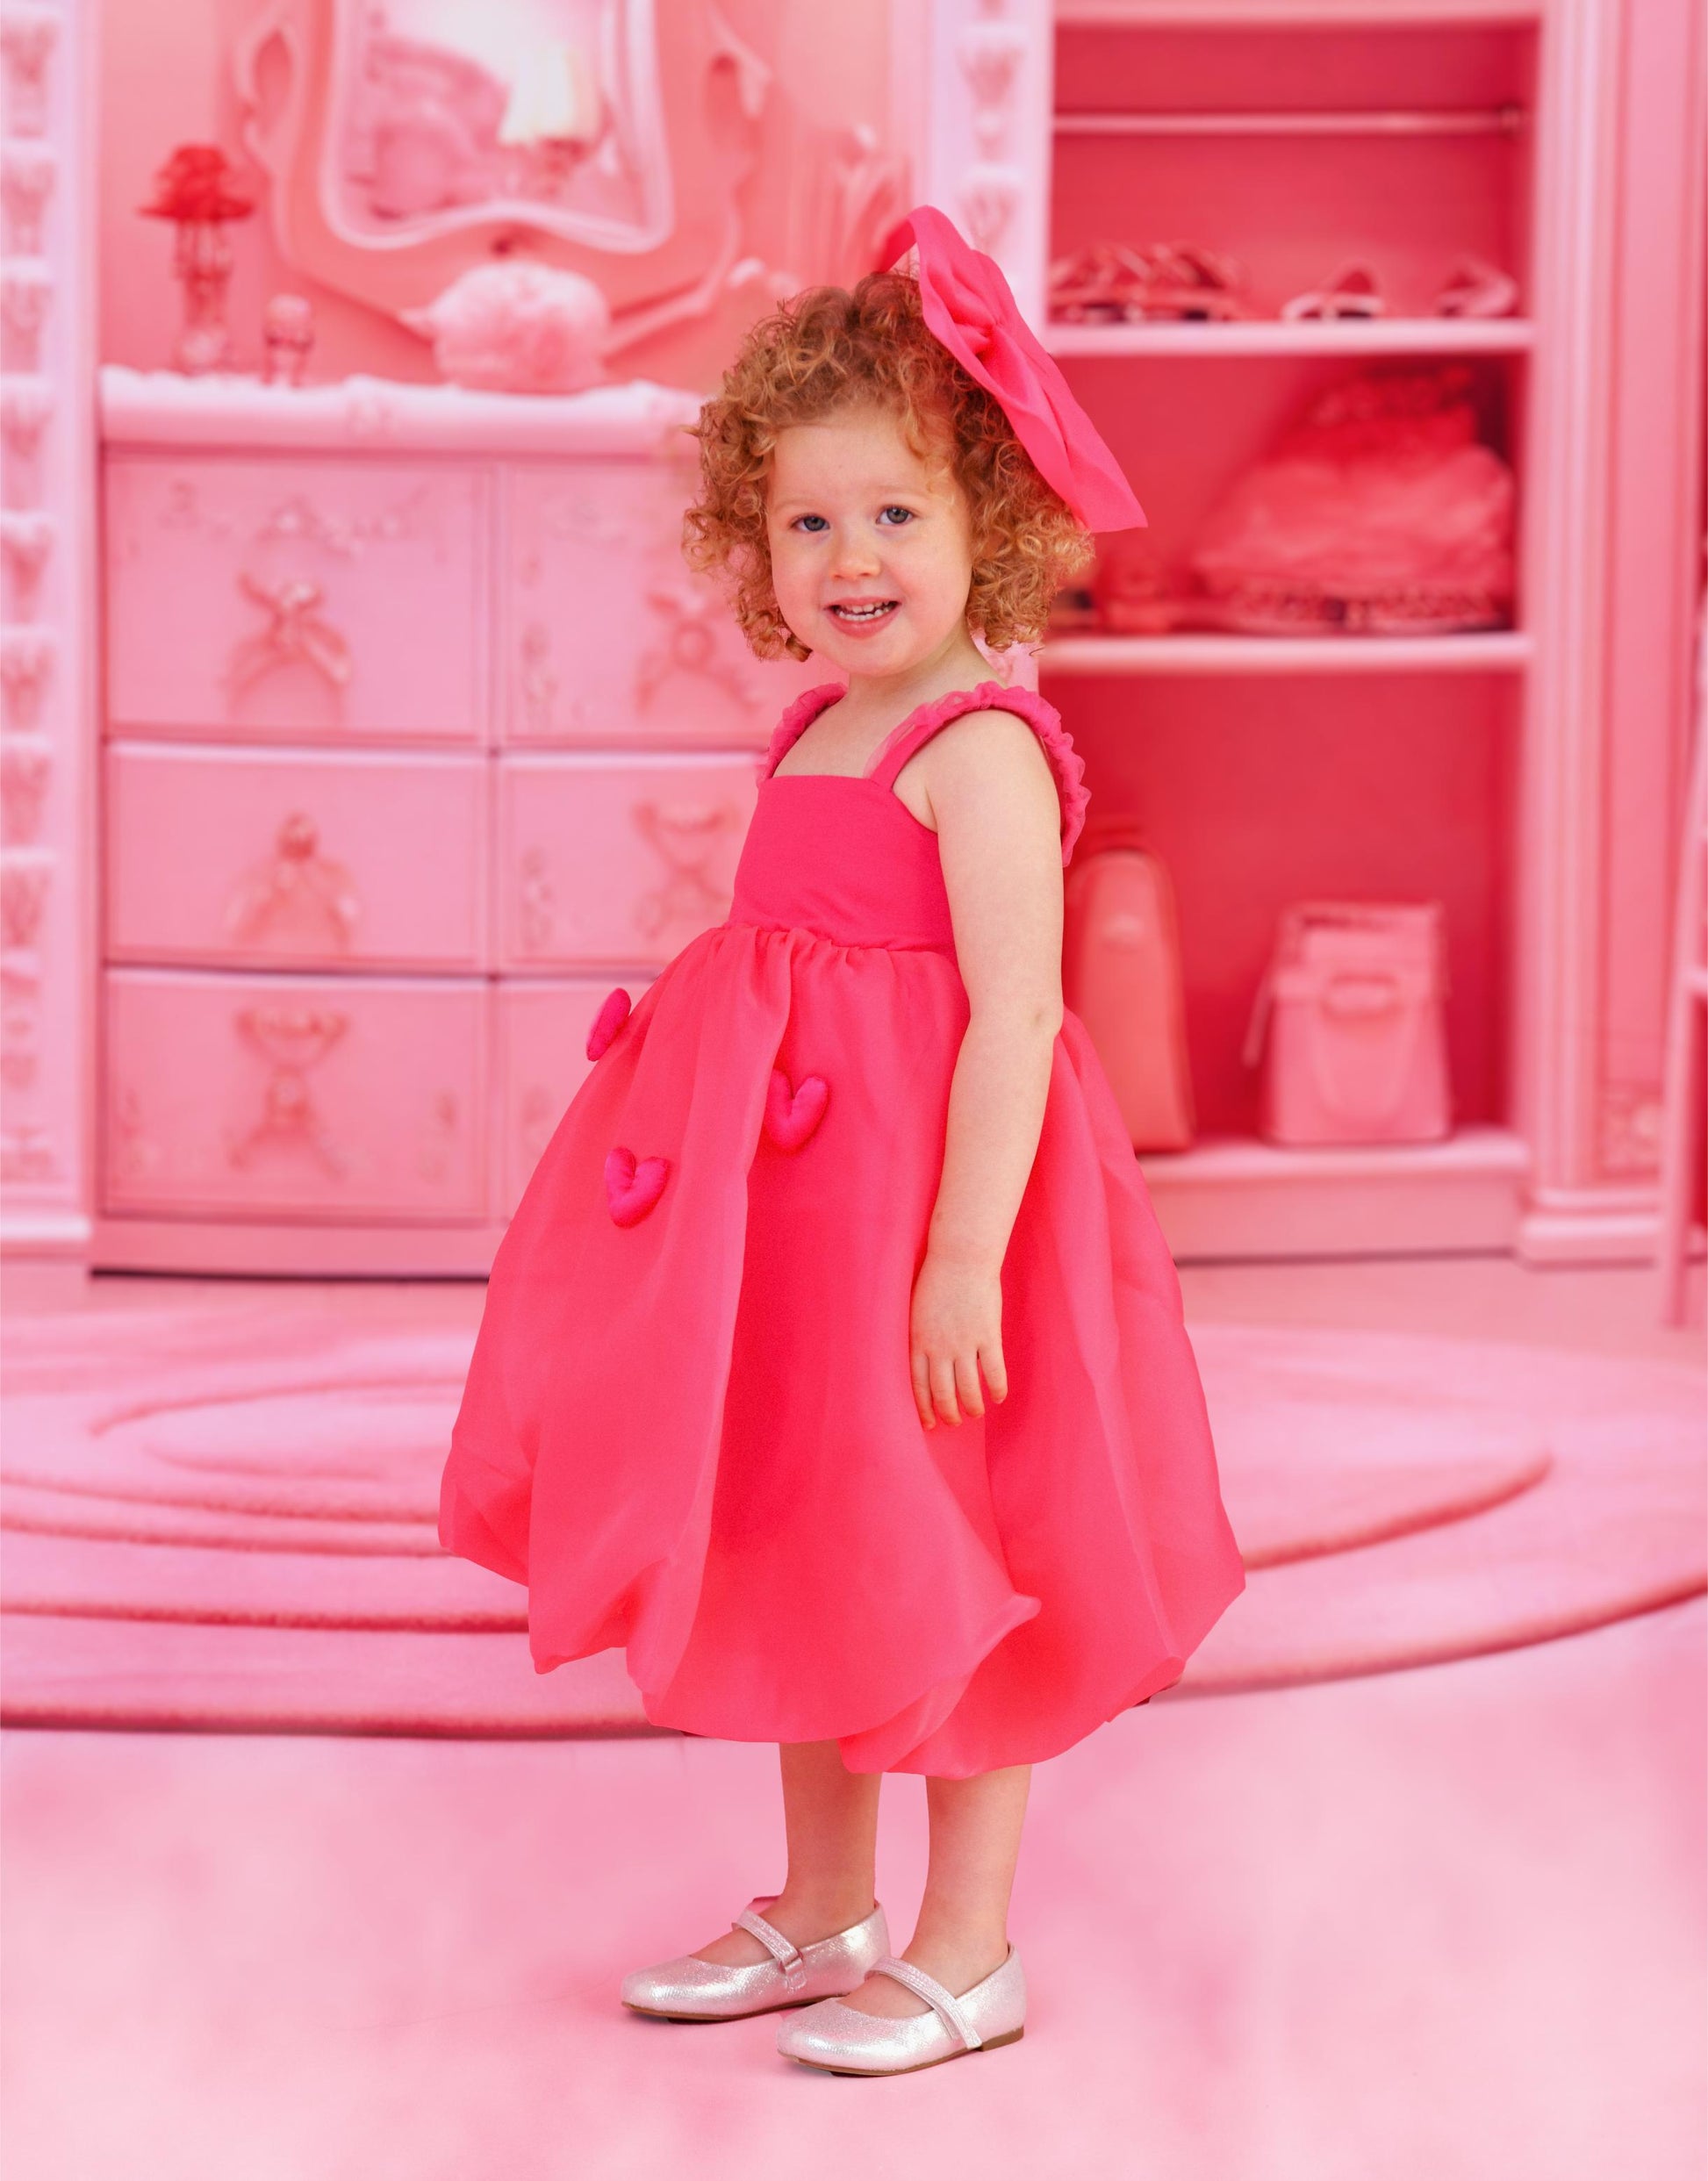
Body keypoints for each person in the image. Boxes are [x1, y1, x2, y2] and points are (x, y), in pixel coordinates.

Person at [437, 204, 1245, 2077]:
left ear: (989, 524)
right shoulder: (817, 723)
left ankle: (970, 1945)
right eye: (808, 523)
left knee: (954, 1540)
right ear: (756, 542)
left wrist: (961, 1256)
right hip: (803, 1225)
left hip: (935, 1224)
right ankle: (825, 1907)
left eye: (894, 513)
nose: (851, 557)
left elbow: (1016, 1021)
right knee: (813, 1532)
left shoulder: (977, 745)